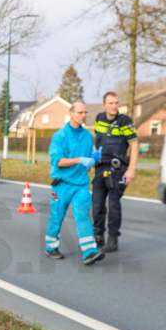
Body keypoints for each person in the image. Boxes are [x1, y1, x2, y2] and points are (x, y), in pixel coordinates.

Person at [45, 102, 105, 266]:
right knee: (57, 217)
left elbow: (89, 160)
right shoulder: (60, 136)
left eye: (85, 112)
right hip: (62, 184)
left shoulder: (87, 135)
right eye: (80, 112)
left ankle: (89, 251)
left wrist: (94, 158)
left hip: (81, 184)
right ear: (71, 114)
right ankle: (51, 247)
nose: (84, 115)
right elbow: (58, 161)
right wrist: (80, 159)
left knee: (83, 216)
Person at [92, 92, 139, 252]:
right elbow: (97, 139)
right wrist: (93, 157)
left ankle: (113, 240)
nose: (114, 106)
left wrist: (131, 169)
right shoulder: (99, 118)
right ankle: (98, 237)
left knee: (113, 205)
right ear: (103, 105)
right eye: (111, 103)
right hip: (100, 167)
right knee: (97, 204)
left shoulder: (125, 121)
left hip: (117, 168)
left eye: (116, 103)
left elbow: (134, 145)